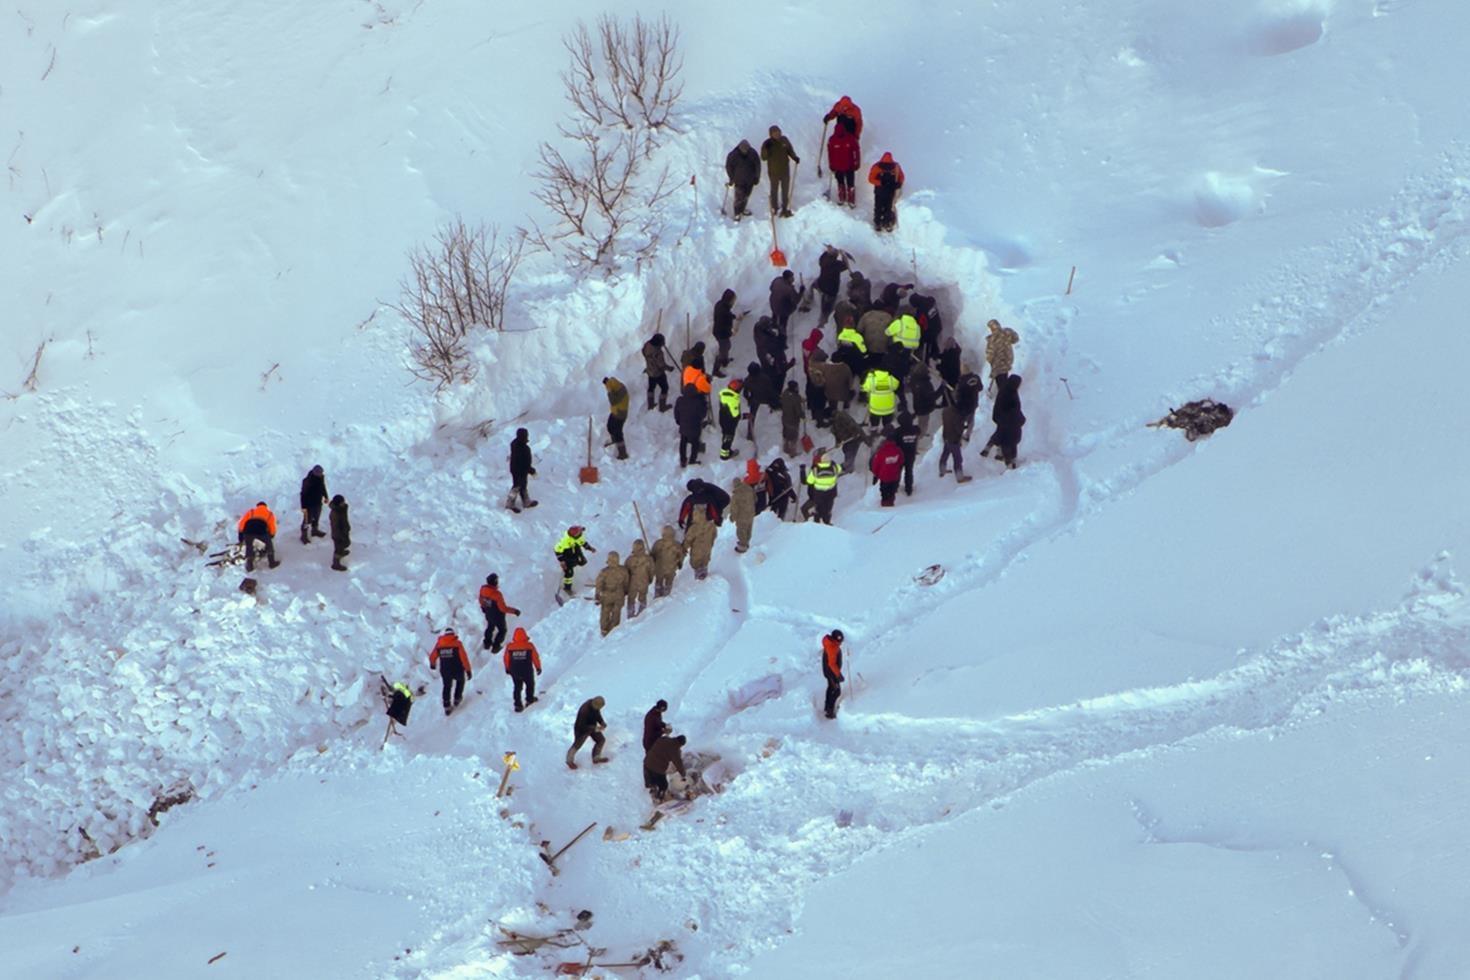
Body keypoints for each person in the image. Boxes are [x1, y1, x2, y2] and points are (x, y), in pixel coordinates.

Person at [981, 373, 1026, 468]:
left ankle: (991, 449)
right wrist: (1021, 419)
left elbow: (998, 406)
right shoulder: (1012, 394)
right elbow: (1015, 409)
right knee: (1009, 441)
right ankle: (1010, 462)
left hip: (1001, 419)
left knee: (999, 434)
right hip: (1010, 422)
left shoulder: (1004, 390)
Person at [428, 628, 471, 716]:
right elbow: (464, 658)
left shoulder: (439, 645)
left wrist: (432, 664)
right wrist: (468, 670)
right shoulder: (457, 644)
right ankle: (457, 699)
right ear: (453, 634)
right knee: (460, 682)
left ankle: (446, 705)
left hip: (445, 670)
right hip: (457, 669)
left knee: (447, 686)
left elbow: (432, 656)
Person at [760, 125, 801, 217]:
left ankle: (785, 208)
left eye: (778, 132)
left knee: (785, 190)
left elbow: (790, 150)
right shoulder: (767, 143)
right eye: (775, 133)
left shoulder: (784, 140)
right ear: (771, 134)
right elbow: (763, 158)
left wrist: (794, 157)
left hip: (785, 170)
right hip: (773, 172)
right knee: (774, 190)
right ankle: (775, 207)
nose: (777, 134)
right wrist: (766, 149)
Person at [477, 573, 521, 652]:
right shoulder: (497, 595)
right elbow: (503, 608)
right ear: (495, 582)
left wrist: (483, 607)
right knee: (502, 630)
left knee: (490, 627)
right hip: (498, 616)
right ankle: (496, 646)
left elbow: (480, 599)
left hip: (488, 613)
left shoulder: (483, 590)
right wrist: (514, 611)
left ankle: (487, 643)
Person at [502, 626, 541, 712]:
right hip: (527, 670)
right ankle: (529, 699)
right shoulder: (529, 646)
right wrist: (538, 667)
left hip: (515, 671)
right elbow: (535, 657)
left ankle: (517, 704)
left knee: (517, 687)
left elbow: (506, 658)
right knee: (530, 684)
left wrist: (507, 668)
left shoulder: (510, 647)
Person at [594, 551, 631, 637]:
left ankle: (604, 630)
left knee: (605, 612)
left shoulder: (604, 572)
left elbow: (599, 584)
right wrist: (624, 592)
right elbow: (626, 583)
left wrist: (597, 595)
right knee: (616, 612)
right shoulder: (624, 570)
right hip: (619, 595)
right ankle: (613, 630)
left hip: (607, 595)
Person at [236, 501, 280, 572]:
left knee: (249, 546)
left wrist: (240, 536)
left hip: (248, 531)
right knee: (269, 545)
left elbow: (242, 523)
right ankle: (272, 563)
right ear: (266, 507)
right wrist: (271, 536)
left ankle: (249, 565)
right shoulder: (269, 513)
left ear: (257, 506)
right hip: (261, 531)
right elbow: (272, 527)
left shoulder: (251, 511)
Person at [566, 696, 608, 769]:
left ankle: (596, 757)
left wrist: (602, 722)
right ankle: (569, 761)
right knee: (577, 745)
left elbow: (597, 715)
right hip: (581, 729)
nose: (600, 709)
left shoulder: (595, 706)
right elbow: (581, 725)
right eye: (599, 707)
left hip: (592, 727)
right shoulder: (584, 710)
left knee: (601, 740)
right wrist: (594, 728)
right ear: (595, 704)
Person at [554, 525, 595, 599]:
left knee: (582, 561)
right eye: (579, 532)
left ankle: (585, 578)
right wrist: (562, 561)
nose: (581, 533)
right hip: (566, 555)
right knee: (569, 573)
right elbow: (557, 550)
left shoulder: (578, 537)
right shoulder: (564, 541)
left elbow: (583, 543)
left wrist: (590, 548)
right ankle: (567, 587)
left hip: (575, 551)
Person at [643, 733, 687, 802]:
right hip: (657, 768)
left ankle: (650, 792)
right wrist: (683, 774)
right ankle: (659, 798)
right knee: (663, 785)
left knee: (651, 781)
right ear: (681, 744)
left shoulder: (664, 739)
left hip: (647, 762)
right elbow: (678, 763)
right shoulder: (675, 750)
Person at [868, 152, 905, 232]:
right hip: (890, 192)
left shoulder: (876, 167)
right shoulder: (896, 167)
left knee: (878, 207)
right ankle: (887, 223)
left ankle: (878, 223)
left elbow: (871, 179)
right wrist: (898, 184)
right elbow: (901, 177)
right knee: (888, 207)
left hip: (879, 192)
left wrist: (880, 183)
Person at [938, 400, 973, 484]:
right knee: (957, 458)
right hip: (954, 439)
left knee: (945, 453)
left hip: (946, 435)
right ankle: (959, 477)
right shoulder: (958, 415)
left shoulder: (946, 411)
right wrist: (962, 432)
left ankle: (942, 470)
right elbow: (958, 428)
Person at [742, 361, 779, 441]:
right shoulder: (765, 378)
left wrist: (749, 399)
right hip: (766, 399)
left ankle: (750, 433)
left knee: (752, 416)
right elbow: (770, 391)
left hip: (755, 400)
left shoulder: (748, 380)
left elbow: (745, 393)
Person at [826, 124, 860, 208]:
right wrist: (831, 164)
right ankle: (842, 198)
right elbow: (830, 154)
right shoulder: (832, 140)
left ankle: (850, 200)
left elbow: (856, 151)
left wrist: (857, 163)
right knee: (841, 182)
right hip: (838, 167)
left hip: (849, 166)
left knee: (850, 183)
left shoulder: (850, 138)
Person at [725, 139, 761, 219]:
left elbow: (757, 166)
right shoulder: (733, 155)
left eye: (747, 149)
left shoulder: (753, 153)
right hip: (738, 180)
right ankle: (737, 213)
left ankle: (743, 210)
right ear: (739, 148)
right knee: (739, 197)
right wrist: (732, 178)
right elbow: (728, 167)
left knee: (746, 196)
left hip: (750, 180)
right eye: (744, 150)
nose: (745, 151)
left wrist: (757, 177)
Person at [813, 246, 849, 327]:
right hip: (830, 290)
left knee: (822, 301)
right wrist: (843, 255)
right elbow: (845, 265)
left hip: (821, 285)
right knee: (826, 308)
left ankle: (809, 300)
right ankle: (822, 323)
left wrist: (829, 251)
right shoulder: (835, 265)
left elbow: (824, 255)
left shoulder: (823, 260)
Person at [674, 383, 708, 467]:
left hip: (683, 426)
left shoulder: (680, 400)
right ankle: (692, 460)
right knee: (695, 443)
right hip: (695, 427)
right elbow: (703, 415)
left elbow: (676, 413)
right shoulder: (698, 402)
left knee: (683, 443)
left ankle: (683, 460)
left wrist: (679, 421)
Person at [641, 333, 676, 412]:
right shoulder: (658, 353)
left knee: (651, 387)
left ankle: (650, 404)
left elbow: (643, 352)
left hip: (650, 371)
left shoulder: (647, 345)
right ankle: (662, 407)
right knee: (664, 388)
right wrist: (669, 368)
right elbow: (661, 365)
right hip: (658, 374)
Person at [507, 427, 539, 512]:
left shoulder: (514, 444)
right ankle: (510, 503)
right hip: (520, 471)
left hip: (514, 469)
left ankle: (525, 501)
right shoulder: (524, 449)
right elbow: (524, 463)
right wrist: (531, 470)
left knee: (521, 486)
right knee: (517, 487)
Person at [870, 430, 905, 507]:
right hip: (894, 476)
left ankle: (884, 502)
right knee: (892, 490)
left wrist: (876, 474)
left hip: (884, 476)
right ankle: (891, 502)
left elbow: (876, 464)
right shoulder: (898, 450)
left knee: (884, 490)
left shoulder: (881, 451)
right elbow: (901, 461)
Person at [804, 452, 841, 525]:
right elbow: (839, 469)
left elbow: (809, 481)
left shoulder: (816, 469)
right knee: (827, 509)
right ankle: (827, 522)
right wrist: (833, 463)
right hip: (831, 492)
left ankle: (817, 524)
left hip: (819, 493)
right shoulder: (834, 467)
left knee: (818, 509)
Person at [985, 318, 1021, 389]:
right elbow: (1016, 339)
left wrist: (991, 361)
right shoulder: (1007, 332)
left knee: (1001, 384)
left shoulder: (992, 340)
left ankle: (1004, 395)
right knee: (1004, 377)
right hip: (1007, 361)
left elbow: (989, 356)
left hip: (997, 365)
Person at [684, 507, 718, 580]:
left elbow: (688, 539)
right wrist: (710, 542)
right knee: (705, 559)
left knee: (696, 562)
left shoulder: (694, 528)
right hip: (707, 548)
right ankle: (704, 570)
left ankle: (699, 574)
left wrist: (684, 547)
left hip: (697, 550)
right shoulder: (711, 525)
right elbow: (714, 534)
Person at [651, 525, 684, 598]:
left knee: (659, 580)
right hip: (671, 568)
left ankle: (658, 593)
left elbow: (653, 554)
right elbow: (681, 555)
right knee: (668, 581)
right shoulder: (677, 544)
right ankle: (667, 593)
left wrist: (652, 559)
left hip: (660, 568)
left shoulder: (658, 543)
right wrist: (680, 563)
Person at [907, 363, 939, 440]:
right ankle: (919, 438)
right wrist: (942, 388)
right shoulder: (926, 384)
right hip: (925, 407)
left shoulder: (914, 380)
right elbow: (933, 396)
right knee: (923, 423)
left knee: (920, 421)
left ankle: (919, 434)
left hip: (917, 405)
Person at [830, 406, 866, 473]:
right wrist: (838, 442)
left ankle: (847, 467)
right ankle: (849, 466)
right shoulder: (834, 422)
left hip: (855, 437)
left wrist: (857, 434)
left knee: (850, 451)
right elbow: (836, 433)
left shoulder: (843, 417)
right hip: (847, 439)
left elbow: (854, 426)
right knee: (845, 449)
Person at [299, 465, 328, 544]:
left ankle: (315, 530)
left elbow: (323, 487)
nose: (321, 474)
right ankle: (303, 536)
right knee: (306, 520)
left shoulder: (321, 478)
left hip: (318, 502)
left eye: (322, 473)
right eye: (320, 473)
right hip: (309, 505)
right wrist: (303, 507)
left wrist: (326, 497)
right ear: (315, 473)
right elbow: (303, 494)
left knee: (316, 517)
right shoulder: (307, 481)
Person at [712, 289, 738, 377]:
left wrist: (733, 317)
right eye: (733, 300)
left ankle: (724, 360)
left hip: (718, 331)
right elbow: (724, 326)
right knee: (724, 349)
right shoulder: (724, 312)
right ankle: (716, 368)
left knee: (727, 346)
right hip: (721, 334)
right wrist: (731, 332)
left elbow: (728, 315)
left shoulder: (720, 304)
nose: (734, 302)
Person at [625, 539, 654, 618]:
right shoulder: (649, 559)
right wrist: (650, 579)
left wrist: (626, 583)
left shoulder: (629, 560)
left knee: (631, 599)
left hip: (633, 583)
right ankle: (642, 613)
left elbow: (626, 572)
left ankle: (630, 614)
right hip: (644, 581)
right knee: (643, 597)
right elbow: (651, 571)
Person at [603, 376, 630, 460]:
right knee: (610, 426)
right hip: (615, 412)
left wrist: (609, 391)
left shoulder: (621, 391)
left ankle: (623, 453)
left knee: (618, 432)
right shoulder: (616, 386)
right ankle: (614, 439)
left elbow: (613, 401)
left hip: (620, 414)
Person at [895, 413, 921, 497]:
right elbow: (919, 432)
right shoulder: (916, 430)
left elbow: (894, 441)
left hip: (900, 455)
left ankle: (895, 486)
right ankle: (908, 488)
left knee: (898, 471)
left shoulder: (898, 431)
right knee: (909, 471)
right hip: (911, 454)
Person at [821, 629, 845, 719]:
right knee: (836, 691)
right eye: (840, 641)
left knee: (831, 688)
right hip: (831, 672)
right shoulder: (832, 647)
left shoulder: (832, 644)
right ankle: (829, 711)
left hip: (829, 671)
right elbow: (832, 663)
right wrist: (838, 675)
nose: (841, 643)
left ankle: (827, 707)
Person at [717, 378, 743, 460]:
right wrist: (744, 416)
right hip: (730, 422)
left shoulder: (724, 395)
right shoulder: (733, 400)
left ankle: (726, 450)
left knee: (725, 436)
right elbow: (735, 414)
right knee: (728, 438)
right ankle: (724, 455)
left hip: (722, 418)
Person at [730, 475, 756, 554]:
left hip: (742, 516)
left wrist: (732, 517)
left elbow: (734, 509)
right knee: (748, 529)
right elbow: (755, 499)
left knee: (741, 530)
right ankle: (747, 543)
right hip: (751, 513)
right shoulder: (750, 489)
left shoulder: (736, 495)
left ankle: (742, 547)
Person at [769, 269, 800, 335]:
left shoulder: (777, 280)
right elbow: (796, 300)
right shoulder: (789, 290)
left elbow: (771, 288)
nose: (793, 278)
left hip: (773, 304)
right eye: (792, 277)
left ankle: (773, 324)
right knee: (783, 320)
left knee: (775, 313)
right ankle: (782, 332)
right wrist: (801, 292)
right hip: (783, 310)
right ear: (788, 278)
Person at [780, 379, 805, 457]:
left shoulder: (785, 393)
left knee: (786, 435)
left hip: (784, 418)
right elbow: (798, 411)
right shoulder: (796, 398)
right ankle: (792, 453)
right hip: (793, 421)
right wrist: (802, 415)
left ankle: (785, 448)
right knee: (793, 437)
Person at [328, 494, 350, 572]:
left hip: (343, 530)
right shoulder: (335, 514)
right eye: (342, 502)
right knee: (338, 548)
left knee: (345, 543)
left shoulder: (341, 509)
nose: (344, 503)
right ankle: (336, 564)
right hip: (338, 534)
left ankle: (342, 552)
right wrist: (339, 536)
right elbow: (335, 527)